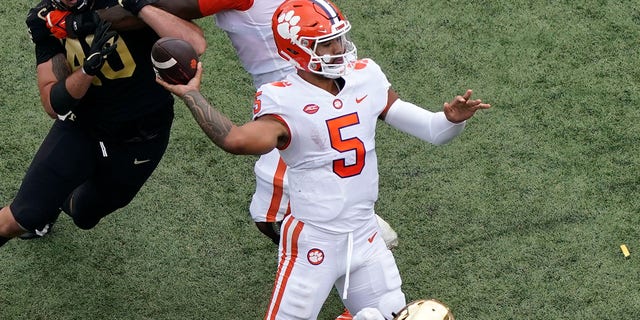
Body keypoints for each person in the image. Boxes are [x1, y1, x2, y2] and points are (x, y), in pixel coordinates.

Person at [157, 0, 491, 318]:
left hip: (366, 235)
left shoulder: (367, 76)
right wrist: (192, 95)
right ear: (295, 49)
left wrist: (453, 119)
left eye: (339, 38)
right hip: (314, 241)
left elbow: (433, 130)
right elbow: (236, 140)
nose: (339, 48)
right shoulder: (283, 98)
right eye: (326, 43)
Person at [0, 0, 205, 246]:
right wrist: (86, 72)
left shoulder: (121, 3)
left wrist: (138, 6)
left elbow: (196, 43)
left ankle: (58, 199)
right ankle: (44, 206)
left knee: (83, 214)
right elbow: (53, 103)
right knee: (21, 217)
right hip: (82, 128)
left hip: (139, 139)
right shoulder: (45, 17)